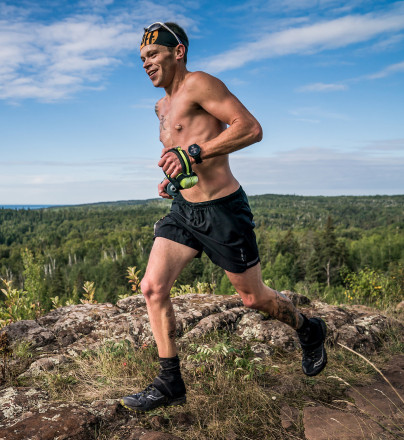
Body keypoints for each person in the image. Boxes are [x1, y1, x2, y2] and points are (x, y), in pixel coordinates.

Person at [121, 22, 328, 412]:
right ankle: (170, 383)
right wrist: (174, 180)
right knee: (152, 287)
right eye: (142, 58)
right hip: (184, 210)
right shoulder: (161, 106)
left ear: (177, 51)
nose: (146, 63)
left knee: (253, 298)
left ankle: (310, 329)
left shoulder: (200, 83)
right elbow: (182, 152)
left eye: (153, 54)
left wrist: (193, 153)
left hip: (223, 212)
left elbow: (250, 128)